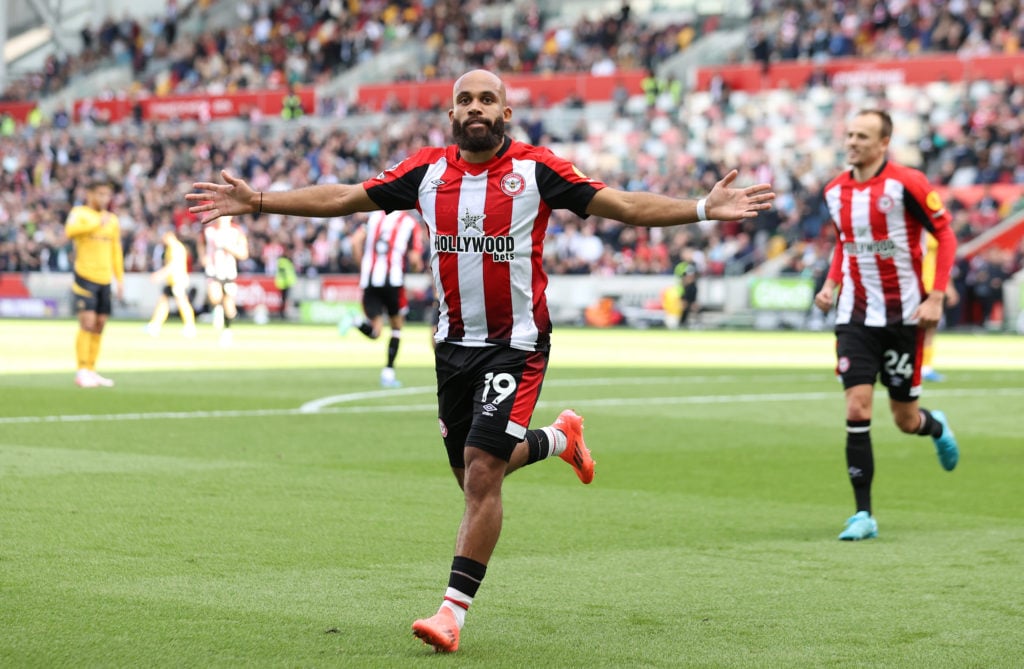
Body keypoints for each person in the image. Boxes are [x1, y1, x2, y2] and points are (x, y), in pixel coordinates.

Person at [187, 69, 775, 653]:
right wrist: (257, 201)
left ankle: (451, 613)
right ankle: (558, 440)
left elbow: (621, 204)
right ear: (451, 114)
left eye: (487, 99)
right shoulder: (426, 171)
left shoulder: (537, 170)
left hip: (516, 345)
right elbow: (343, 198)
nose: (475, 107)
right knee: (470, 476)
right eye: (464, 99)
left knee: (482, 473)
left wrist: (701, 207)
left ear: (505, 113)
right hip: (451, 348)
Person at [813, 109, 960, 542]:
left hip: (902, 317)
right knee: (857, 406)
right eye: (850, 133)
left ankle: (935, 427)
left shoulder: (907, 183)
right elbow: (845, 242)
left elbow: (945, 235)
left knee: (904, 418)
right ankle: (863, 515)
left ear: (883, 144)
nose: (853, 141)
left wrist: (935, 295)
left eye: (863, 135)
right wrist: (830, 284)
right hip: (855, 316)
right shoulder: (835, 191)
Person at [348, 209, 424, 387]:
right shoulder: (410, 222)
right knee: (397, 327)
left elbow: (355, 241)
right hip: (394, 282)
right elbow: (414, 259)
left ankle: (357, 321)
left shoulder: (374, 217)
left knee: (376, 332)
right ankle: (388, 372)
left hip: (370, 281)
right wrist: (415, 268)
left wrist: (364, 266)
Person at [66, 175, 124, 388]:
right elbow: (70, 232)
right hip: (85, 277)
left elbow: (116, 250)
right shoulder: (79, 214)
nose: (104, 198)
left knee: (99, 325)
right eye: (100, 193)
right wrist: (95, 224)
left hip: (104, 279)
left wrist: (120, 279)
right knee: (87, 323)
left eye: (107, 194)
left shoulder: (113, 220)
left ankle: (91, 369)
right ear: (90, 194)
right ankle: (81, 370)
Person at [200, 215, 249, 346]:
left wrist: (228, 247)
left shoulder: (236, 231)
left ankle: (227, 330)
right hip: (213, 270)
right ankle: (217, 309)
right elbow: (201, 243)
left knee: (230, 306)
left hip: (229, 272)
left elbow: (244, 254)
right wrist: (203, 257)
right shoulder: (209, 230)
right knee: (214, 295)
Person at [920, 231, 959, 381]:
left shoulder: (936, 230)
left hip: (932, 286)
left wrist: (948, 286)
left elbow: (943, 262)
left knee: (929, 328)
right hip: (911, 285)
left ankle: (926, 367)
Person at [145, 227, 197, 338]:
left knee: (182, 303)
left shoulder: (176, 248)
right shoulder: (170, 248)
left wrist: (159, 275)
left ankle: (190, 326)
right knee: (163, 302)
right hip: (172, 280)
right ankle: (155, 325)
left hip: (178, 280)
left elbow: (172, 265)